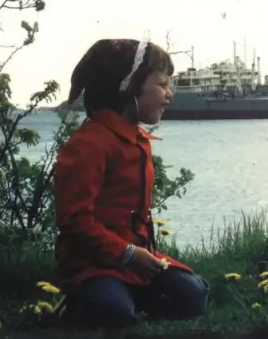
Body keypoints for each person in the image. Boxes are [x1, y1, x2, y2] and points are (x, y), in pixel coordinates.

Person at [53, 39, 209, 329]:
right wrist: (126, 254)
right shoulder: (88, 145)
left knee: (194, 295)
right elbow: (73, 220)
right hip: (91, 264)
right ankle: (77, 304)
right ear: (129, 86)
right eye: (162, 84)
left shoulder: (137, 140)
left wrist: (138, 257)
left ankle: (126, 299)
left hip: (137, 261)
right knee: (114, 312)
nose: (169, 94)